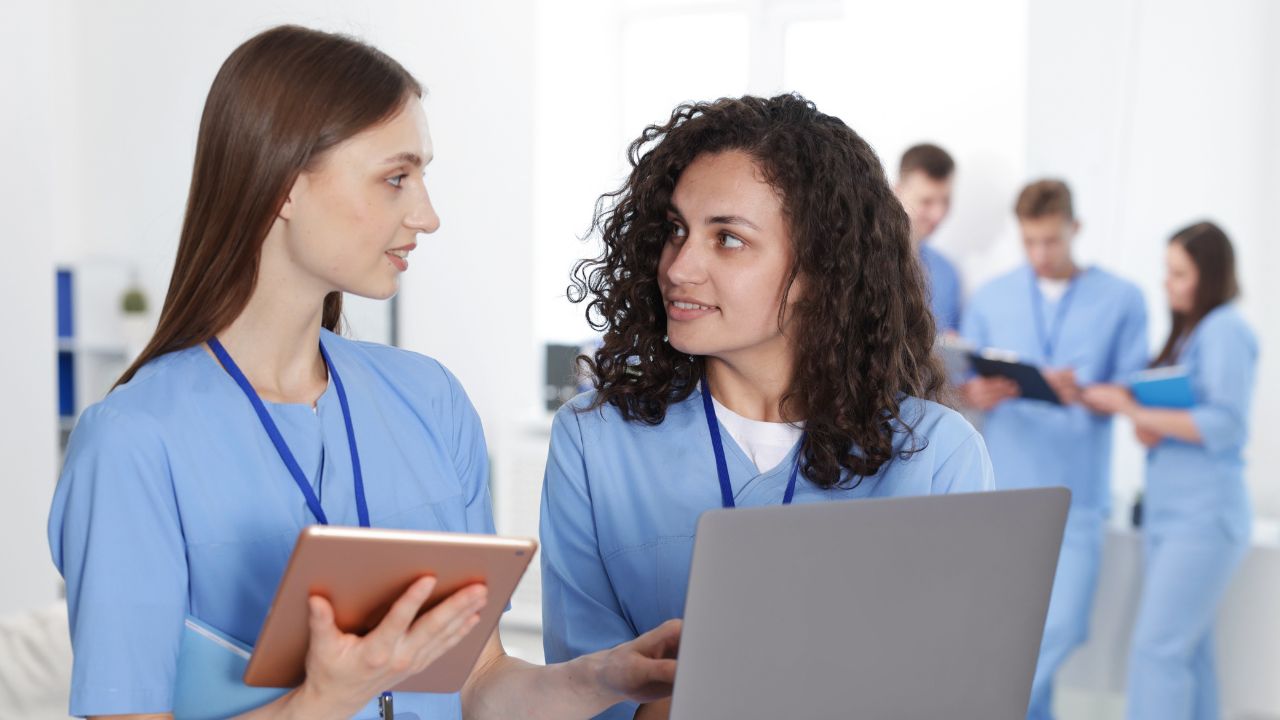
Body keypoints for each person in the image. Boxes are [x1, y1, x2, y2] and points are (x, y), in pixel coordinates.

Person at [47, 25, 678, 720]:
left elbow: (478, 684)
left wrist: (603, 678)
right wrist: (323, 700)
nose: (427, 216)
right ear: (284, 186)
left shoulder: (431, 400)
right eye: (395, 178)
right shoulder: (133, 442)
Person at [540, 94, 995, 720]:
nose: (679, 267)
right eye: (675, 230)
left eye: (727, 239)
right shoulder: (595, 438)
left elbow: (953, 689)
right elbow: (582, 689)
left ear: (820, 268)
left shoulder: (937, 453)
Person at [958, 179, 1148, 720]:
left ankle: (978, 708)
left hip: (1075, 496)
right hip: (1004, 493)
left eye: (1051, 241)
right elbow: (964, 379)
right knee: (1010, 634)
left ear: (1075, 229)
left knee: (1061, 627)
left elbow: (1131, 393)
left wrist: (1079, 392)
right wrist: (974, 393)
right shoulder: (990, 297)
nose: (1040, 254)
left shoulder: (1123, 300)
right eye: (1029, 242)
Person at [1083, 221, 1256, 720]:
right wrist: (1149, 423)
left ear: (1211, 275)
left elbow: (1225, 423)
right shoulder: (1188, 336)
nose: (1168, 284)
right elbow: (1181, 418)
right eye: (1167, 272)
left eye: (1180, 274)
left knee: (1157, 651)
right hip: (1172, 516)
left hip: (1203, 517)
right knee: (1189, 654)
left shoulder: (1225, 329)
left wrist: (1133, 410)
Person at [894, 143, 962, 333]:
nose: (938, 214)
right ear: (897, 192)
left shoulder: (947, 273)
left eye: (945, 200)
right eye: (926, 201)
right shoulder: (864, 260)